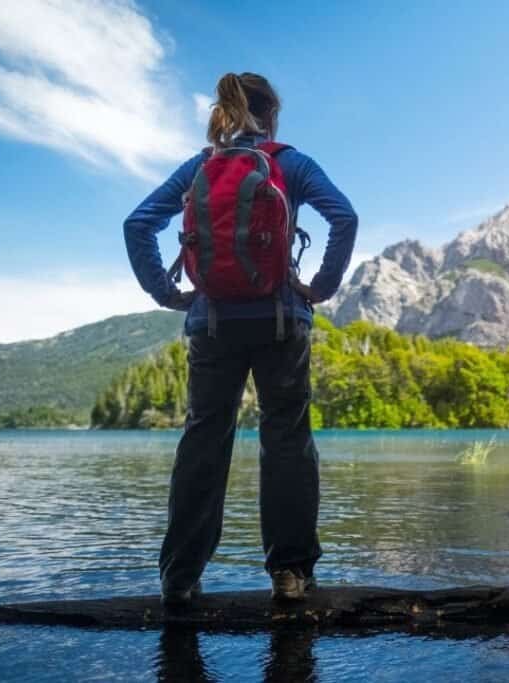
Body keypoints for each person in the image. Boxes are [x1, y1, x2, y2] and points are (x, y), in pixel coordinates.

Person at [123, 72, 358, 605]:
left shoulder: (200, 166)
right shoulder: (291, 162)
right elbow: (344, 216)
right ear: (271, 115)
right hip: (281, 321)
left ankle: (179, 577)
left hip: (211, 322)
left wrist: (167, 292)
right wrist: (318, 286)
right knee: (287, 442)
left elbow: (138, 224)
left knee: (203, 443)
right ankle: (291, 574)